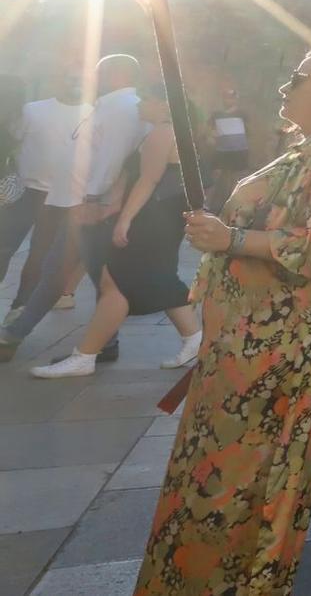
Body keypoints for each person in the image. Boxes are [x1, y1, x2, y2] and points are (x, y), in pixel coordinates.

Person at [135, 47, 311, 594]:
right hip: (255, 341)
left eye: (298, 77)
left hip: (282, 348)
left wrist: (232, 238)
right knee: (225, 470)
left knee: (245, 476)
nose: (284, 87)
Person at [31, 90, 203, 377]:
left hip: (150, 219)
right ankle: (194, 338)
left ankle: (84, 356)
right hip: (159, 218)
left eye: (144, 99)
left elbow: (149, 179)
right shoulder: (171, 131)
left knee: (116, 284)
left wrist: (124, 220)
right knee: (156, 278)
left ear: (163, 103)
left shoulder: (163, 131)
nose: (139, 105)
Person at [0, 54, 146, 362]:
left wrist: (90, 199)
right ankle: (107, 341)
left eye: (98, 73)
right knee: (97, 274)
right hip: (71, 198)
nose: (93, 79)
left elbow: (110, 160)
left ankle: (14, 334)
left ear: (114, 74)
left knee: (56, 270)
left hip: (84, 203)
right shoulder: (111, 106)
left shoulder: (121, 108)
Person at [4, 75, 86, 326]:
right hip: (25, 192)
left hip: (64, 197)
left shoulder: (94, 113)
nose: (74, 82)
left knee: (40, 254)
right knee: (3, 248)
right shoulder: (33, 110)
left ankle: (19, 308)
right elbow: (13, 143)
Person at [202, 83, 251, 215]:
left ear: (236, 99)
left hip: (239, 151)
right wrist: (210, 137)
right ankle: (206, 202)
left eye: (232, 98)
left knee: (235, 179)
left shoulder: (242, 114)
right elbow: (207, 130)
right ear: (222, 99)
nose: (229, 100)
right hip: (221, 151)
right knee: (215, 176)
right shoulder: (216, 114)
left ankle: (233, 205)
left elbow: (248, 130)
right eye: (226, 98)